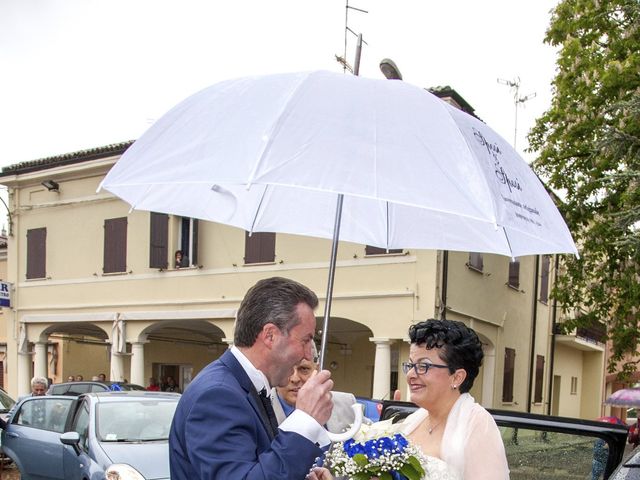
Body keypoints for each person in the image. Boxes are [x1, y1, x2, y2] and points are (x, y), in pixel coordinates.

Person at [169, 276, 334, 479]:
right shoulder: (218, 395)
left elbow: (259, 468)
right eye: (305, 340)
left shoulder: (243, 387)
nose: (308, 354)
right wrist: (305, 420)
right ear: (270, 335)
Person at [311, 319, 509, 480]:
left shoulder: (477, 425)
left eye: (423, 366)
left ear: (457, 377)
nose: (411, 375)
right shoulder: (413, 422)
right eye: (410, 365)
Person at [271, 342, 362, 434]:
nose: (295, 378)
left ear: (317, 370)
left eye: (304, 369)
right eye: (286, 368)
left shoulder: (346, 403)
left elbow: (370, 436)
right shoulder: (260, 411)